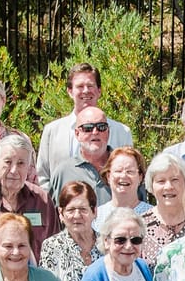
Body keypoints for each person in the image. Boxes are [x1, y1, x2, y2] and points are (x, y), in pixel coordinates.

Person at [34, 63, 135, 191]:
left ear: (99, 90)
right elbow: (42, 177)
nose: (86, 90)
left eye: (90, 85)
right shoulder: (52, 131)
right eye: (80, 86)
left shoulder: (122, 132)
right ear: (70, 91)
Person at [0, 134, 58, 254]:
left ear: (29, 168)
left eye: (21, 163)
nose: (13, 170)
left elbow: (54, 246)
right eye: (8, 162)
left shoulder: (42, 200)